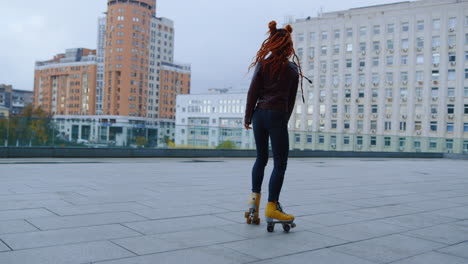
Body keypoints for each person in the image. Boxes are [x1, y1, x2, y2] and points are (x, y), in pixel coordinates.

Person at [243, 20, 304, 231]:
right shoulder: (292, 69)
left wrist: (247, 117)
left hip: (259, 114)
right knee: (280, 163)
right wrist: (282, 121)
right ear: (288, 46)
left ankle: (253, 201)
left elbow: (253, 92)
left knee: (261, 158)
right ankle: (272, 207)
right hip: (278, 115)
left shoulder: (262, 64)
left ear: (271, 42)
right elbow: (290, 100)